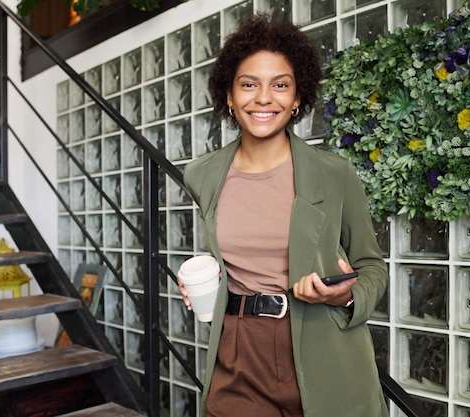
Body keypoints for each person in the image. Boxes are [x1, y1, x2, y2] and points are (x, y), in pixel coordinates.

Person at [179, 13, 389, 417]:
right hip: (239, 352)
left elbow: (371, 266)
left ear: (297, 100)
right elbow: (232, 256)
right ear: (228, 96)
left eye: (280, 85)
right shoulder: (202, 175)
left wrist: (346, 295)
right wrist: (204, 284)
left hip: (322, 345)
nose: (263, 98)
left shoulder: (334, 174)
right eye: (248, 84)